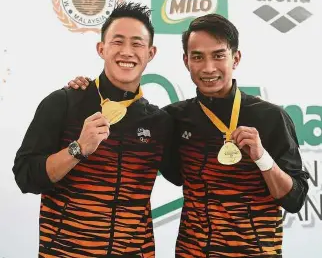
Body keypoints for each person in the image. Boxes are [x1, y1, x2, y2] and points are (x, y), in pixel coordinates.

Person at [67, 14, 309, 257]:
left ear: (235, 58)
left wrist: (262, 158)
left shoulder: (270, 117)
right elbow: (128, 119)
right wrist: (87, 90)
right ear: (186, 61)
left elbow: (294, 200)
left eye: (218, 55)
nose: (208, 68)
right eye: (197, 57)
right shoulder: (172, 118)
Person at [12, 2, 181, 258]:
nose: (127, 52)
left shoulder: (159, 121)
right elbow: (26, 178)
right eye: (117, 41)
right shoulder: (65, 102)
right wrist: (77, 149)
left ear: (151, 53)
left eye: (136, 43)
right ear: (101, 48)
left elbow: (184, 175)